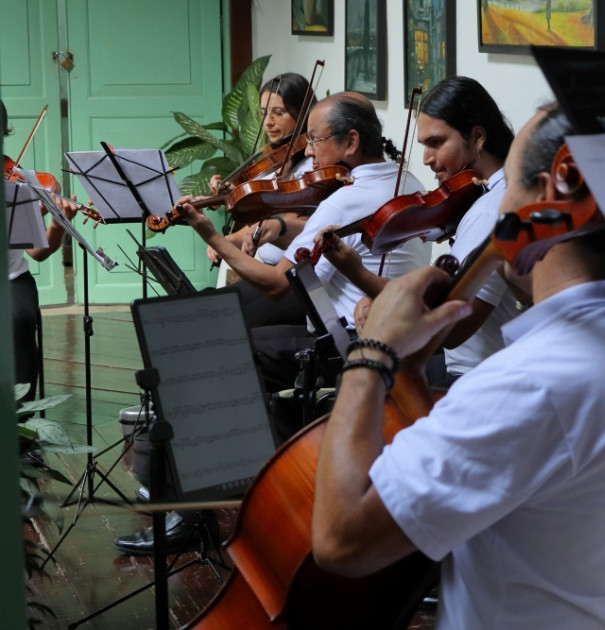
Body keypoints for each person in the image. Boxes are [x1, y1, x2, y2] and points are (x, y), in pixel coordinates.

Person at [310, 104, 605, 629]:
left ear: (553, 195)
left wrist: (370, 356)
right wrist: (410, 372)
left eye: (508, 183)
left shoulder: (536, 380)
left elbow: (340, 541)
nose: (499, 202)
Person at [114, 92, 431, 557]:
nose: (309, 151)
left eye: (317, 140)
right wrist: (279, 227)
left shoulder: (347, 200)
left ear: (350, 143)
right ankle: (215, 486)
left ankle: (197, 510)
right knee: (224, 341)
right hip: (383, 336)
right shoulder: (408, 179)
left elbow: (276, 284)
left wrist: (210, 233)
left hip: (340, 344)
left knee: (202, 359)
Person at [314, 76, 519, 385]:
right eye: (424, 145)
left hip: (476, 379)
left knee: (361, 382)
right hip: (478, 369)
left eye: (437, 143)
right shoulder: (492, 194)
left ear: (477, 137)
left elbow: (449, 328)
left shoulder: (491, 210)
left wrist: (360, 276)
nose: (427, 159)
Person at [205, 72, 316, 328]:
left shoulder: (310, 169)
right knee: (212, 306)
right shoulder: (271, 163)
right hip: (262, 267)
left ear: (303, 115)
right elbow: (260, 219)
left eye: (279, 112)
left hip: (288, 277)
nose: (269, 122)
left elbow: (285, 221)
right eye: (265, 113)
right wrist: (228, 199)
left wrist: (227, 239)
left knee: (223, 316)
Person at [3, 99, 80, 407]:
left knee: (18, 318)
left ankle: (22, 422)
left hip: (11, 279)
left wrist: (60, 223)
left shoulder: (22, 182)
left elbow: (38, 252)